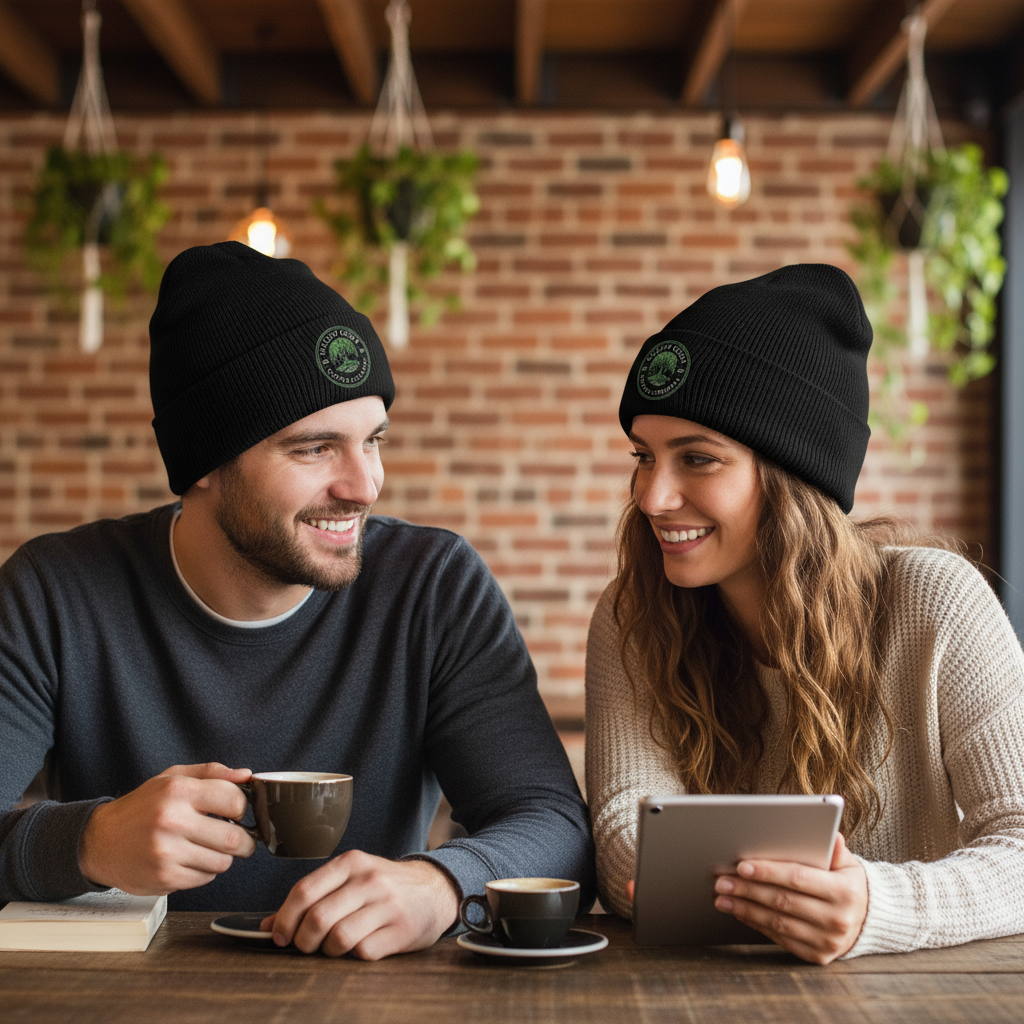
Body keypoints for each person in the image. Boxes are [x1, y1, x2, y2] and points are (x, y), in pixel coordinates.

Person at [0, 241, 594, 959]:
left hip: (369, 997)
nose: (364, 485)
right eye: (314, 449)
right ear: (202, 469)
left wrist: (441, 885)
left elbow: (556, 824)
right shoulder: (54, 592)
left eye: (372, 440)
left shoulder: (432, 585)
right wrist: (87, 845)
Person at [585, 263, 1024, 964]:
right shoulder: (634, 614)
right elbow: (622, 832)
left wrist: (875, 906)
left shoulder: (937, 604)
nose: (651, 496)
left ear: (796, 480)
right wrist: (749, 893)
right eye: (644, 456)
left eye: (697, 458)